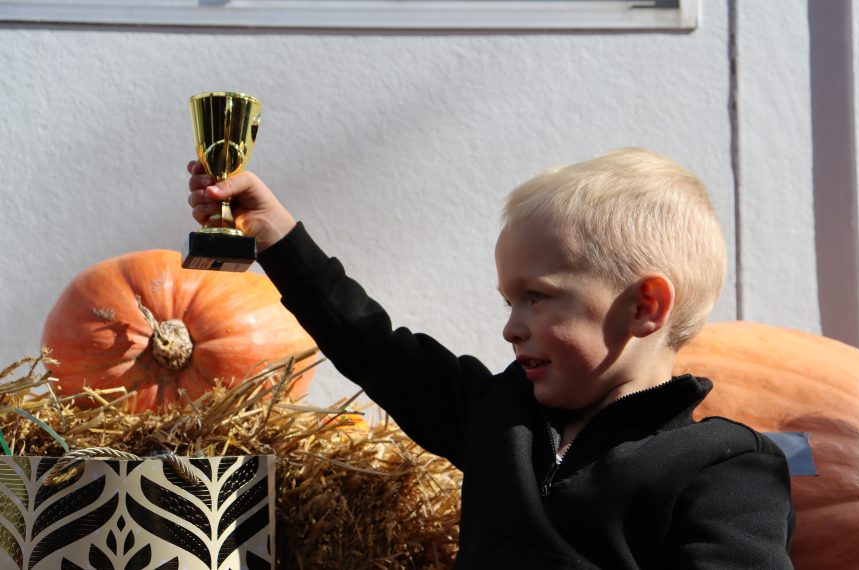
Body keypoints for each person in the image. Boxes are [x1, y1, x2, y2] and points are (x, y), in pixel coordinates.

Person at [187, 147, 794, 569]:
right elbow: (372, 345)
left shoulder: (723, 468)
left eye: (536, 297)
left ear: (643, 308)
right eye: (508, 300)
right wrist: (276, 236)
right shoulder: (500, 416)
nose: (510, 328)